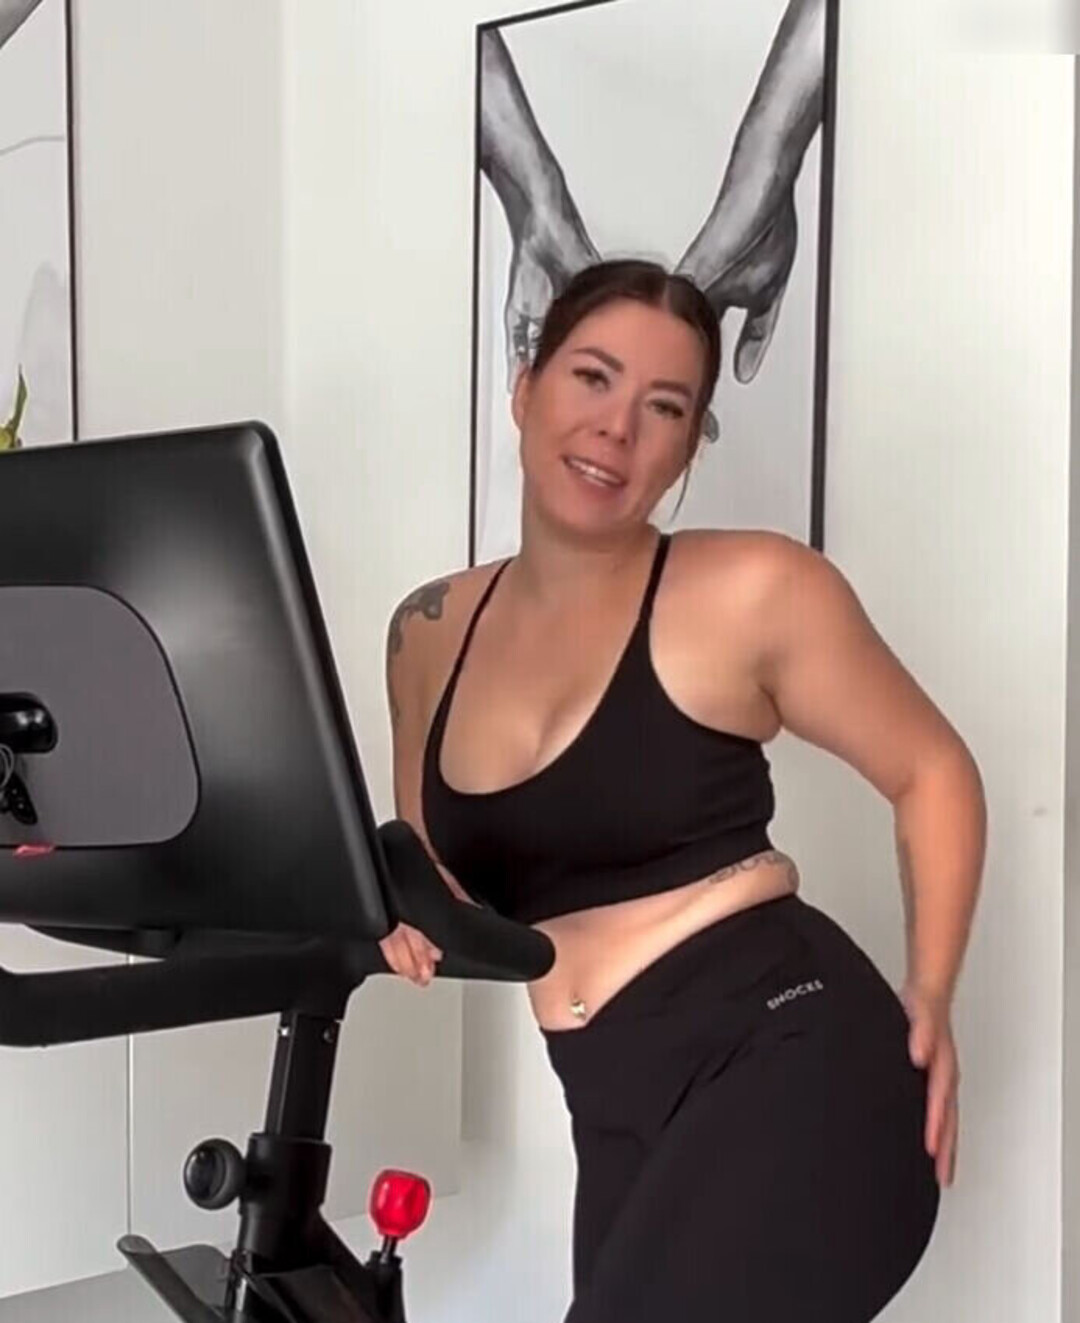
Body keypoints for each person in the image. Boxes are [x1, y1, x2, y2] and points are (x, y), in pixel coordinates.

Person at [383, 259, 986, 1321]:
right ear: (524, 388)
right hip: (616, 1106)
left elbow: (931, 769)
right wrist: (394, 901)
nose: (616, 428)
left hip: (794, 1059)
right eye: (592, 377)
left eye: (664, 407)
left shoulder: (755, 590)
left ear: (687, 447)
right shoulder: (427, 632)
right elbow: (442, 879)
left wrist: (931, 990)